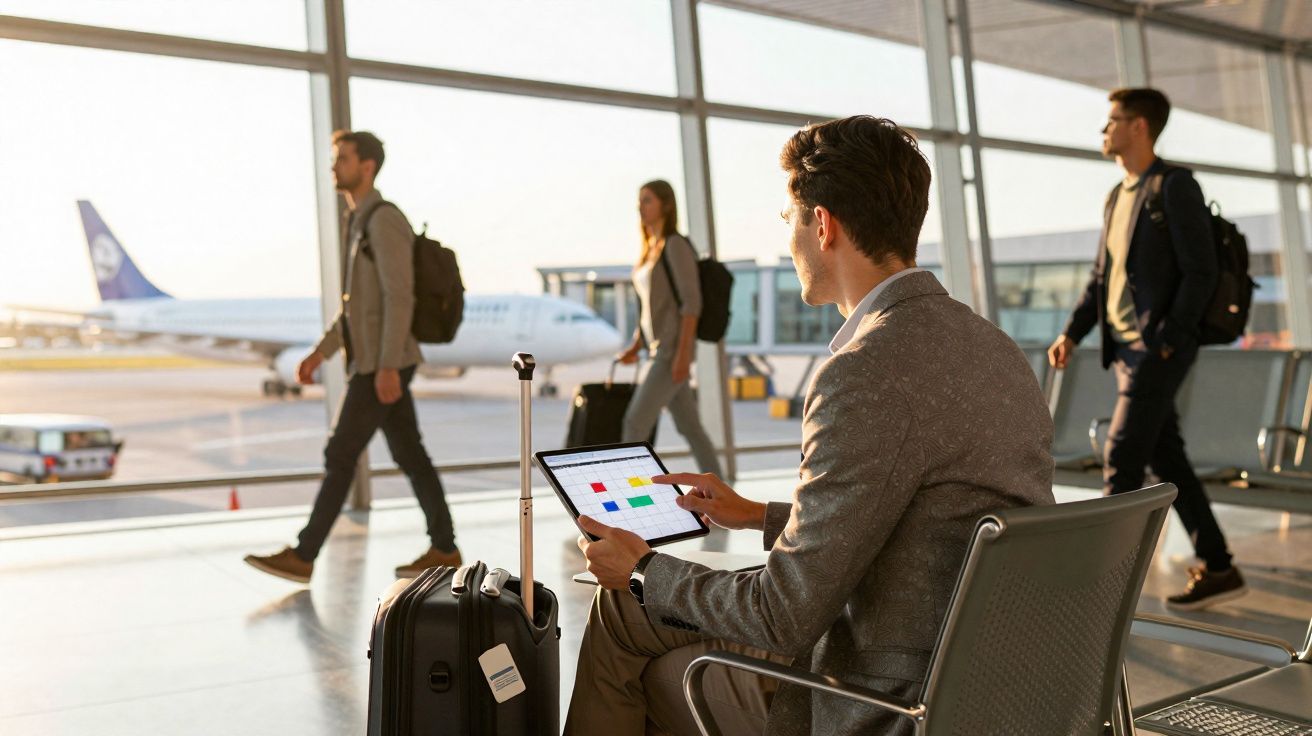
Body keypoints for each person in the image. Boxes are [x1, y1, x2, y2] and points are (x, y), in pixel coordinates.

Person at [566, 117, 1054, 736]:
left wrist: (641, 568)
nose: (788, 235)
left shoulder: (865, 371)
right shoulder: (995, 348)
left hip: (891, 692)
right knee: (631, 613)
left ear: (823, 225)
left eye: (788, 218)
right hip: (985, 672)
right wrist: (758, 516)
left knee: (631, 619)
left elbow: (784, 615)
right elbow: (925, 515)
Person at [1049, 88, 1244, 611]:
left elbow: (1202, 270)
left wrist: (1169, 339)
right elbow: (1101, 278)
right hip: (1128, 353)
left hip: (1155, 350)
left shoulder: (1175, 186)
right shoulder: (1118, 195)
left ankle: (1097, 589)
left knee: (1122, 457)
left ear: (1140, 127)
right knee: (1167, 458)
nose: (1103, 130)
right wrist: (1072, 332)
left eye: (1112, 121)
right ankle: (1220, 564)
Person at [244, 130, 460, 584]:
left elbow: (399, 297)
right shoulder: (357, 221)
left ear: (367, 166)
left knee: (341, 453)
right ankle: (444, 546)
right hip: (376, 361)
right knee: (410, 454)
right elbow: (354, 309)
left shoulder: (383, 220)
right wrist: (319, 354)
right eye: (334, 158)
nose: (333, 166)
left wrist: (385, 365)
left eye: (342, 158)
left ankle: (304, 555)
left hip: (384, 362)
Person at [616, 180, 723, 477]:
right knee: (690, 427)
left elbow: (692, 303)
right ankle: (721, 487)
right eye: (639, 200)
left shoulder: (675, 245)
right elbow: (649, 310)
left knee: (635, 422)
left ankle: (629, 489)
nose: (641, 206)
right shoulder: (650, 249)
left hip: (670, 352)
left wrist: (683, 354)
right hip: (657, 350)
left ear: (665, 204)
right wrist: (636, 345)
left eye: (647, 200)